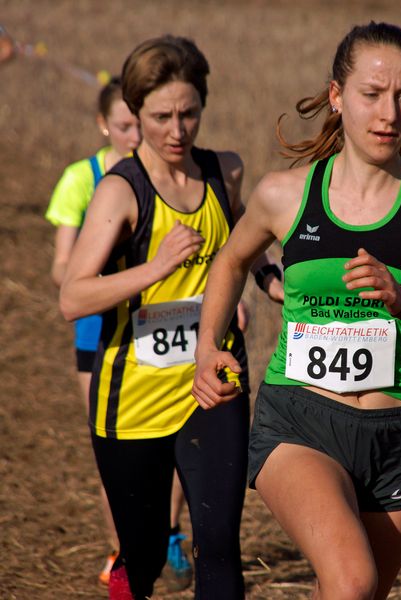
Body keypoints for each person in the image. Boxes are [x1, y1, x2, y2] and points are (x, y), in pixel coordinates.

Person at [192, 21, 401, 600]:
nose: (390, 112)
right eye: (372, 94)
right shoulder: (283, 195)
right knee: (352, 580)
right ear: (337, 97)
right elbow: (230, 263)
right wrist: (207, 345)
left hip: (399, 434)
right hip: (299, 420)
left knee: (353, 593)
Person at [59, 35, 282, 600]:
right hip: (132, 398)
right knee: (146, 553)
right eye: (161, 117)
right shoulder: (120, 192)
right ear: (134, 113)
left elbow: (241, 243)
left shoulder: (223, 172)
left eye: (189, 113)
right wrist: (154, 268)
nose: (177, 131)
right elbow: (73, 298)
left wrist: (268, 281)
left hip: (213, 381)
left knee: (220, 547)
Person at [47, 76, 195, 592]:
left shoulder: (179, 177)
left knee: (178, 443)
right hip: (101, 333)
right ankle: (125, 547)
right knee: (115, 451)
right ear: (104, 124)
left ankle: (170, 532)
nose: (135, 134)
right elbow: (63, 271)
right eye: (126, 125)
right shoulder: (83, 180)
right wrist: (110, 271)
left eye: (141, 123)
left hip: (172, 327)